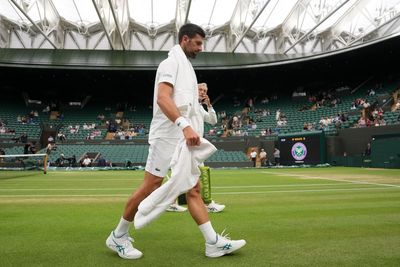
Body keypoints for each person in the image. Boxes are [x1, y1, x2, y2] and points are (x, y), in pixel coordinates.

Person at [106, 23, 245, 260]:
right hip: (167, 136)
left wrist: (195, 93)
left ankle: (213, 243)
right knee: (152, 185)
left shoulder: (186, 68)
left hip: (182, 138)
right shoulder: (170, 63)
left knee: (193, 188)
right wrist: (185, 125)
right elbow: (162, 98)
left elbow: (181, 99)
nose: (201, 48)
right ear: (185, 40)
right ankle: (118, 236)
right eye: (198, 43)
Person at [167, 83, 225, 213]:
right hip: (187, 144)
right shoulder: (188, 103)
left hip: (196, 145)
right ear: (194, 90)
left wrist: (209, 105)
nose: (203, 92)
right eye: (200, 89)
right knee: (188, 175)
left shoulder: (199, 107)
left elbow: (213, 120)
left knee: (189, 175)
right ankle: (207, 203)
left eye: (205, 90)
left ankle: (173, 202)